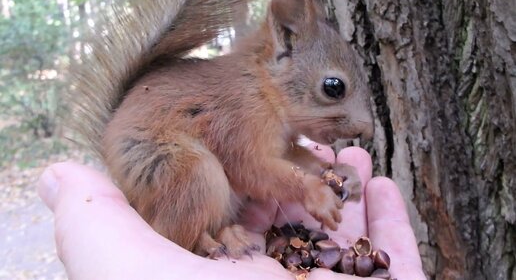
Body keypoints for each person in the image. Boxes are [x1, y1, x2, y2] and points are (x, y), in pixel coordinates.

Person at [37, 146, 426, 279]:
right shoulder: (252, 109)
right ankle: (198, 235)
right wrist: (305, 187)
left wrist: (318, 175)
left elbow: (278, 156)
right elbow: (251, 163)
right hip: (173, 171)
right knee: (200, 173)